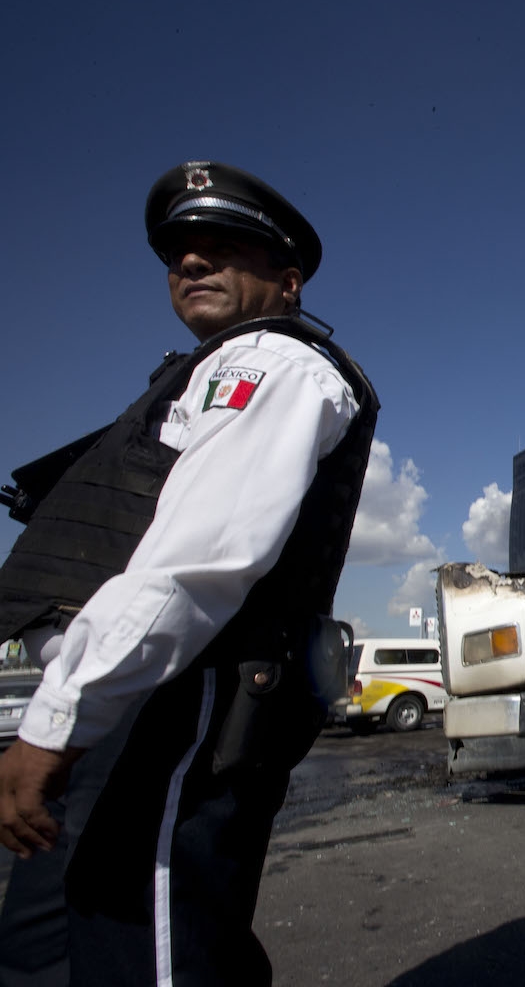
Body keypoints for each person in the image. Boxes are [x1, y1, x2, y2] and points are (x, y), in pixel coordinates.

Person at [0, 161, 379, 985]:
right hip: (131, 698)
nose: (191, 262)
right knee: (53, 950)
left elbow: (195, 564)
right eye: (178, 252)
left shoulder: (272, 362)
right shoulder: (203, 372)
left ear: (287, 282)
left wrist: (55, 721)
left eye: (223, 247)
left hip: (179, 700)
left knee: (154, 956)